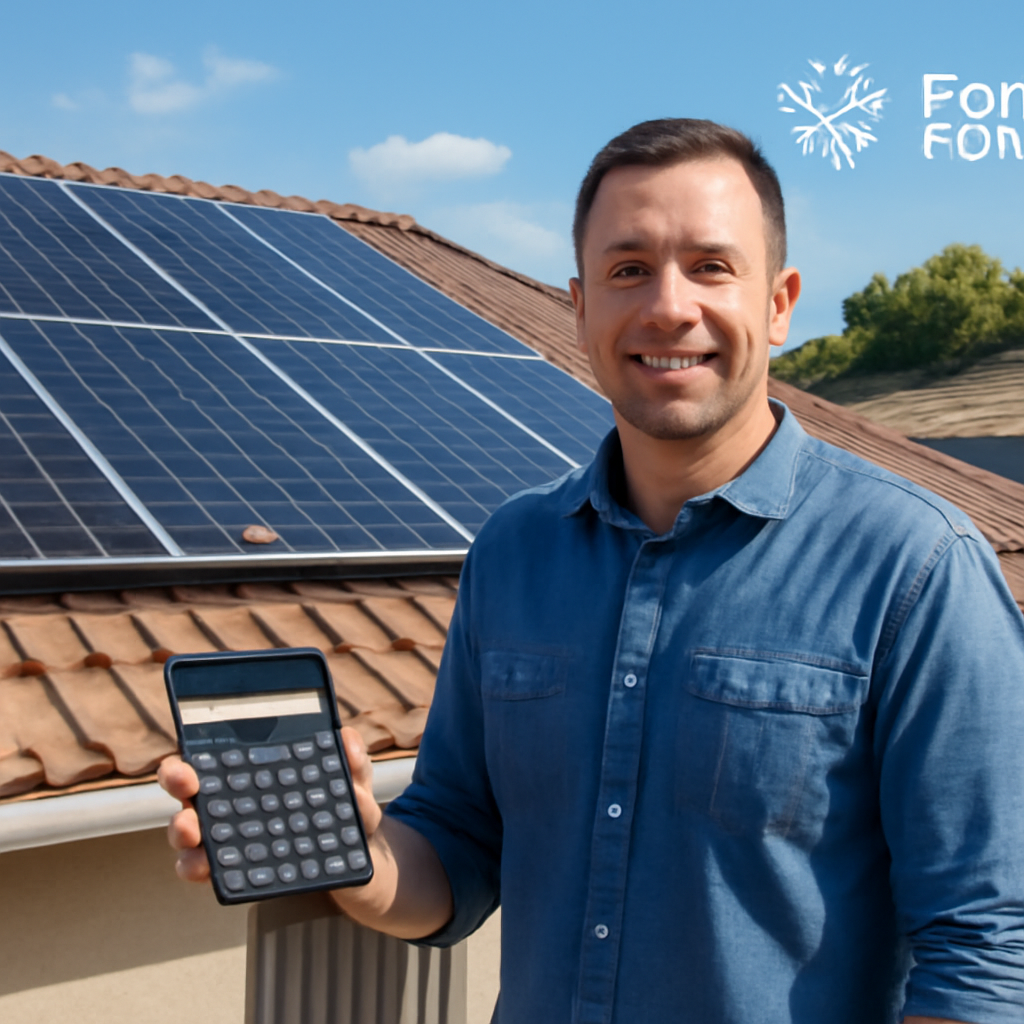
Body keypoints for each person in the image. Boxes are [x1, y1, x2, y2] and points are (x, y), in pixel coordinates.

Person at [160, 119, 1024, 1023]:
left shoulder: (916, 569)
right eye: (628, 270)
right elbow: (458, 846)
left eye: (711, 267)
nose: (667, 306)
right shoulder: (514, 552)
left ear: (779, 302)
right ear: (579, 307)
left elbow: (988, 948)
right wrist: (352, 853)